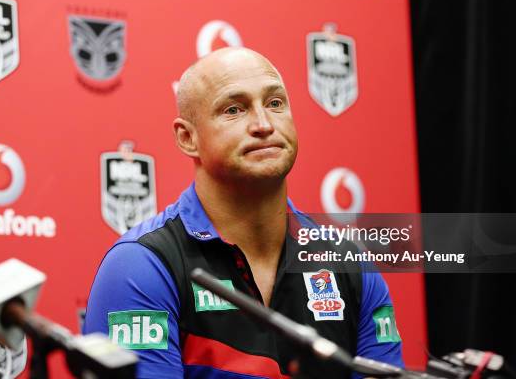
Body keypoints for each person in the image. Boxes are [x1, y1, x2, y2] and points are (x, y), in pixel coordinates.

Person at [83, 47, 403, 378]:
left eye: (275, 103)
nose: (264, 124)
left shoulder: (351, 264)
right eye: (234, 110)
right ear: (188, 137)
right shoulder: (142, 263)